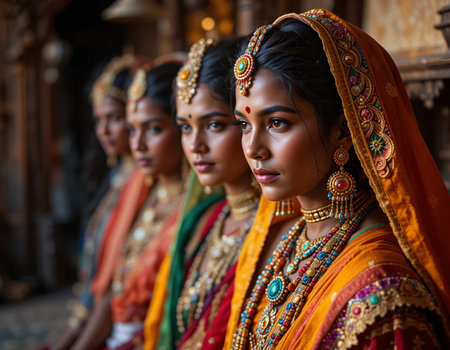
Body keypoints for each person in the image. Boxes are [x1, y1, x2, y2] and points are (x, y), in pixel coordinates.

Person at [225, 9, 450, 349]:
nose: (253, 148)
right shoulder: (291, 239)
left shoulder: (384, 295)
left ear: (343, 131)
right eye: (244, 124)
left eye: (277, 123)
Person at [143, 37, 262, 350]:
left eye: (214, 125)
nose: (195, 145)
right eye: (185, 127)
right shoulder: (202, 220)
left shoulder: (276, 230)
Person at [71, 60, 186, 350]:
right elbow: (115, 291)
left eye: (154, 128)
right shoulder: (148, 192)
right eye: (133, 129)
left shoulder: (192, 208)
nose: (139, 145)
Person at [53, 55, 139, 350]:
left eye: (115, 118)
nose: (103, 131)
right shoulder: (116, 177)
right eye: (98, 120)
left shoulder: (143, 184)